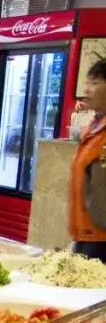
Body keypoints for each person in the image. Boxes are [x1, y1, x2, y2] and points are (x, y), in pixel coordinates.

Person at [68, 58, 106, 262]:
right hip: (85, 233)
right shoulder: (92, 128)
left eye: (94, 82)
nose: (87, 89)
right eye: (87, 82)